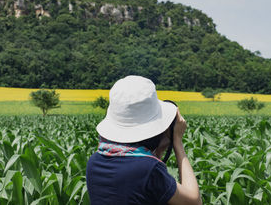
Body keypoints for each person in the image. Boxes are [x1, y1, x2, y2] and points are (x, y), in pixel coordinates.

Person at [86, 75, 202, 205]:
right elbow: (193, 201)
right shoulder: (149, 169)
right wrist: (177, 142)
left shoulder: (94, 161)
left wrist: (159, 149)